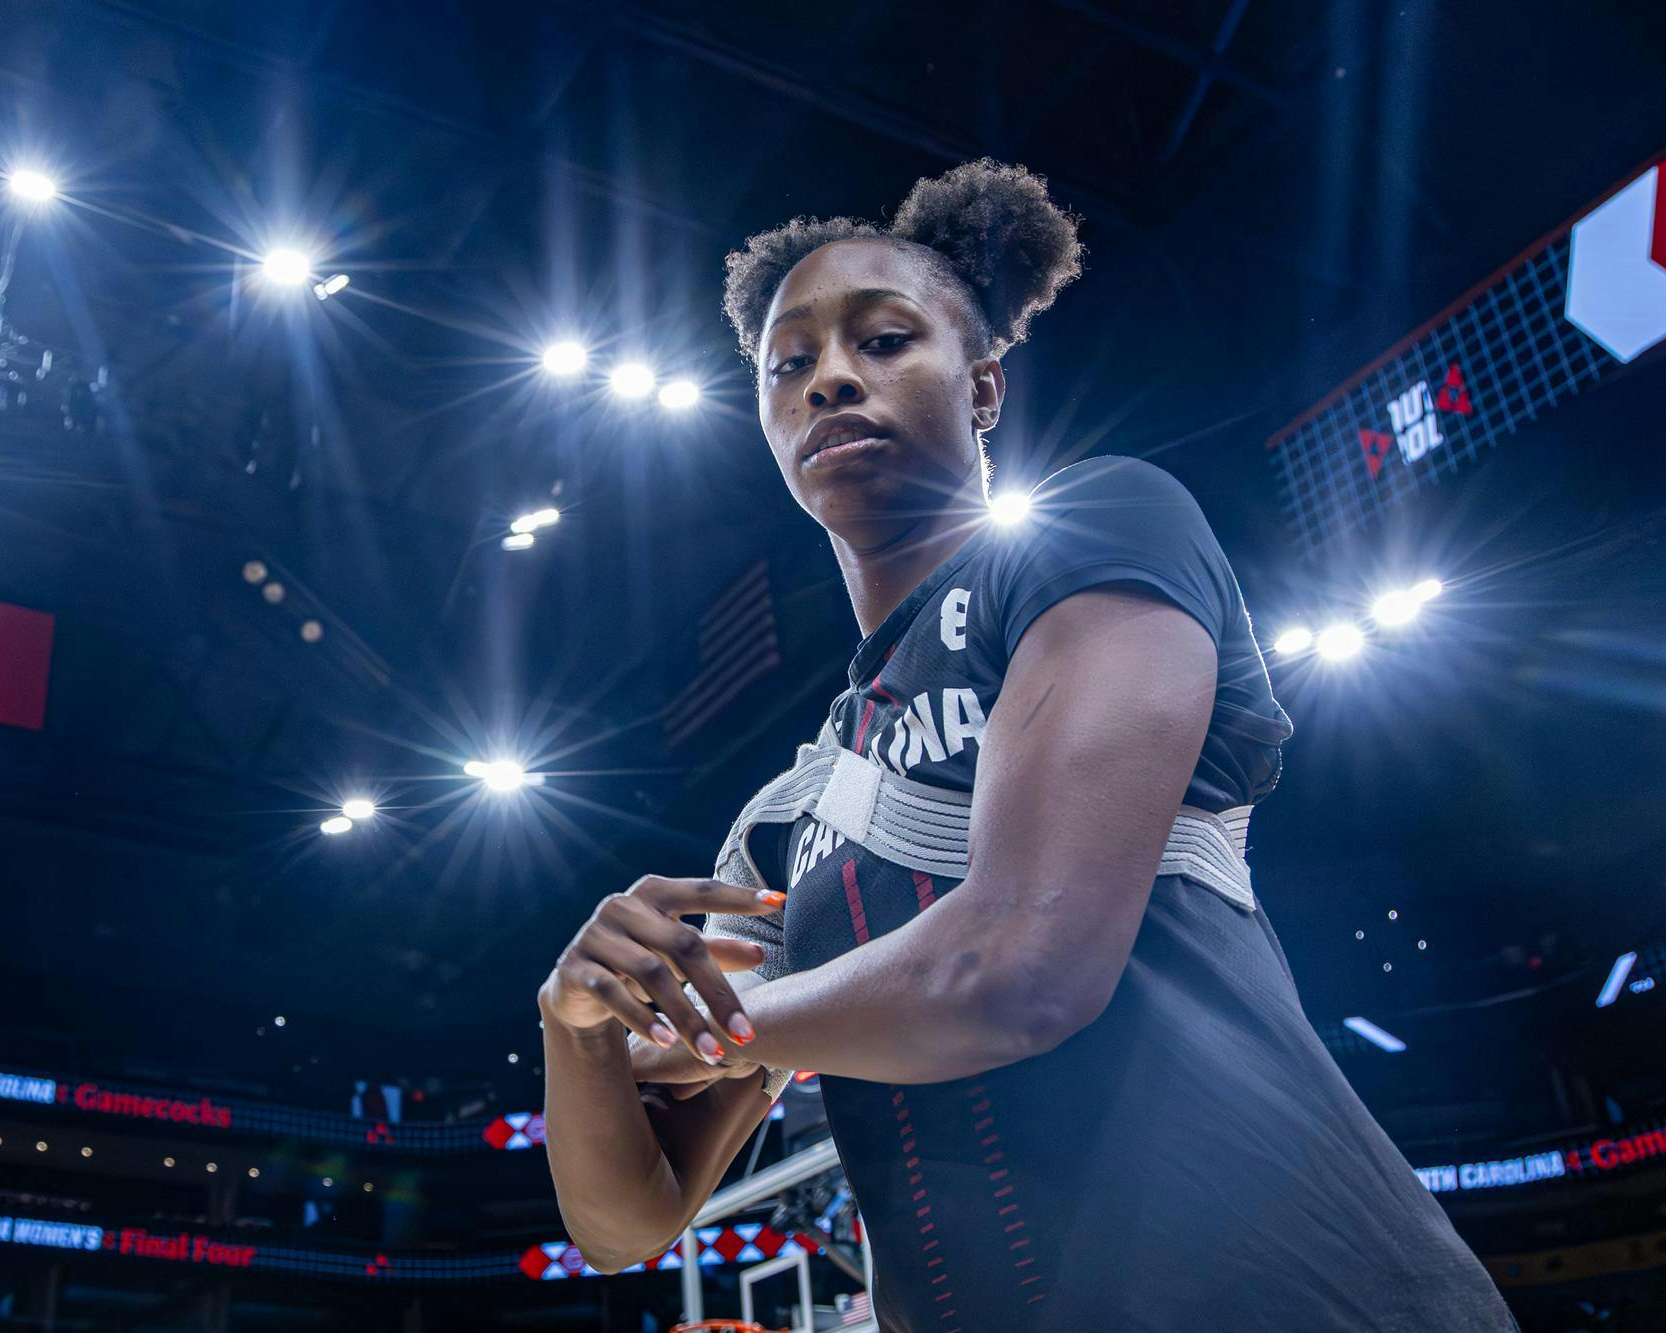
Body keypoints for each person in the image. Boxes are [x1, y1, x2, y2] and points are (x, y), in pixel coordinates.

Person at [539, 159, 1517, 1332]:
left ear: (983, 387)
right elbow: (625, 1224)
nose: (830, 377)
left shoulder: (1098, 526)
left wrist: (707, 1031)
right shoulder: (782, 822)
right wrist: (576, 1031)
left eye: (883, 341)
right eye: (788, 364)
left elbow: (1019, 967)